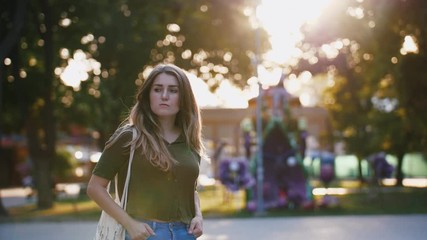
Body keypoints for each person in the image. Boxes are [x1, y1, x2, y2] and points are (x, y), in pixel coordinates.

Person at [87, 63, 206, 240]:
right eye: (158, 89)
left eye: (173, 90)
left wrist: (198, 215)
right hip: (144, 233)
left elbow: (189, 189)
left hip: (185, 233)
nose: (164, 96)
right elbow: (95, 188)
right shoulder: (129, 137)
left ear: (184, 98)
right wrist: (129, 224)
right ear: (148, 95)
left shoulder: (190, 142)